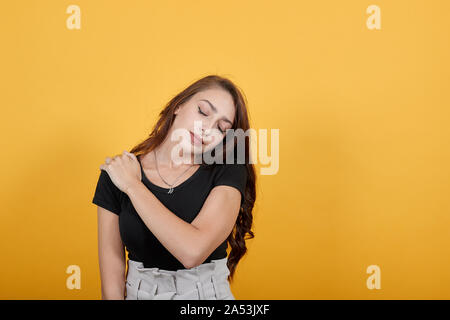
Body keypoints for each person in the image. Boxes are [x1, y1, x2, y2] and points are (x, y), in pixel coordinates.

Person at [92, 74, 256, 300]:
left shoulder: (228, 171)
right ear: (179, 105)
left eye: (221, 127)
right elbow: (112, 281)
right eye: (203, 111)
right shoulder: (117, 174)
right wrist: (126, 181)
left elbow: (192, 252)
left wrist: (133, 186)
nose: (207, 128)